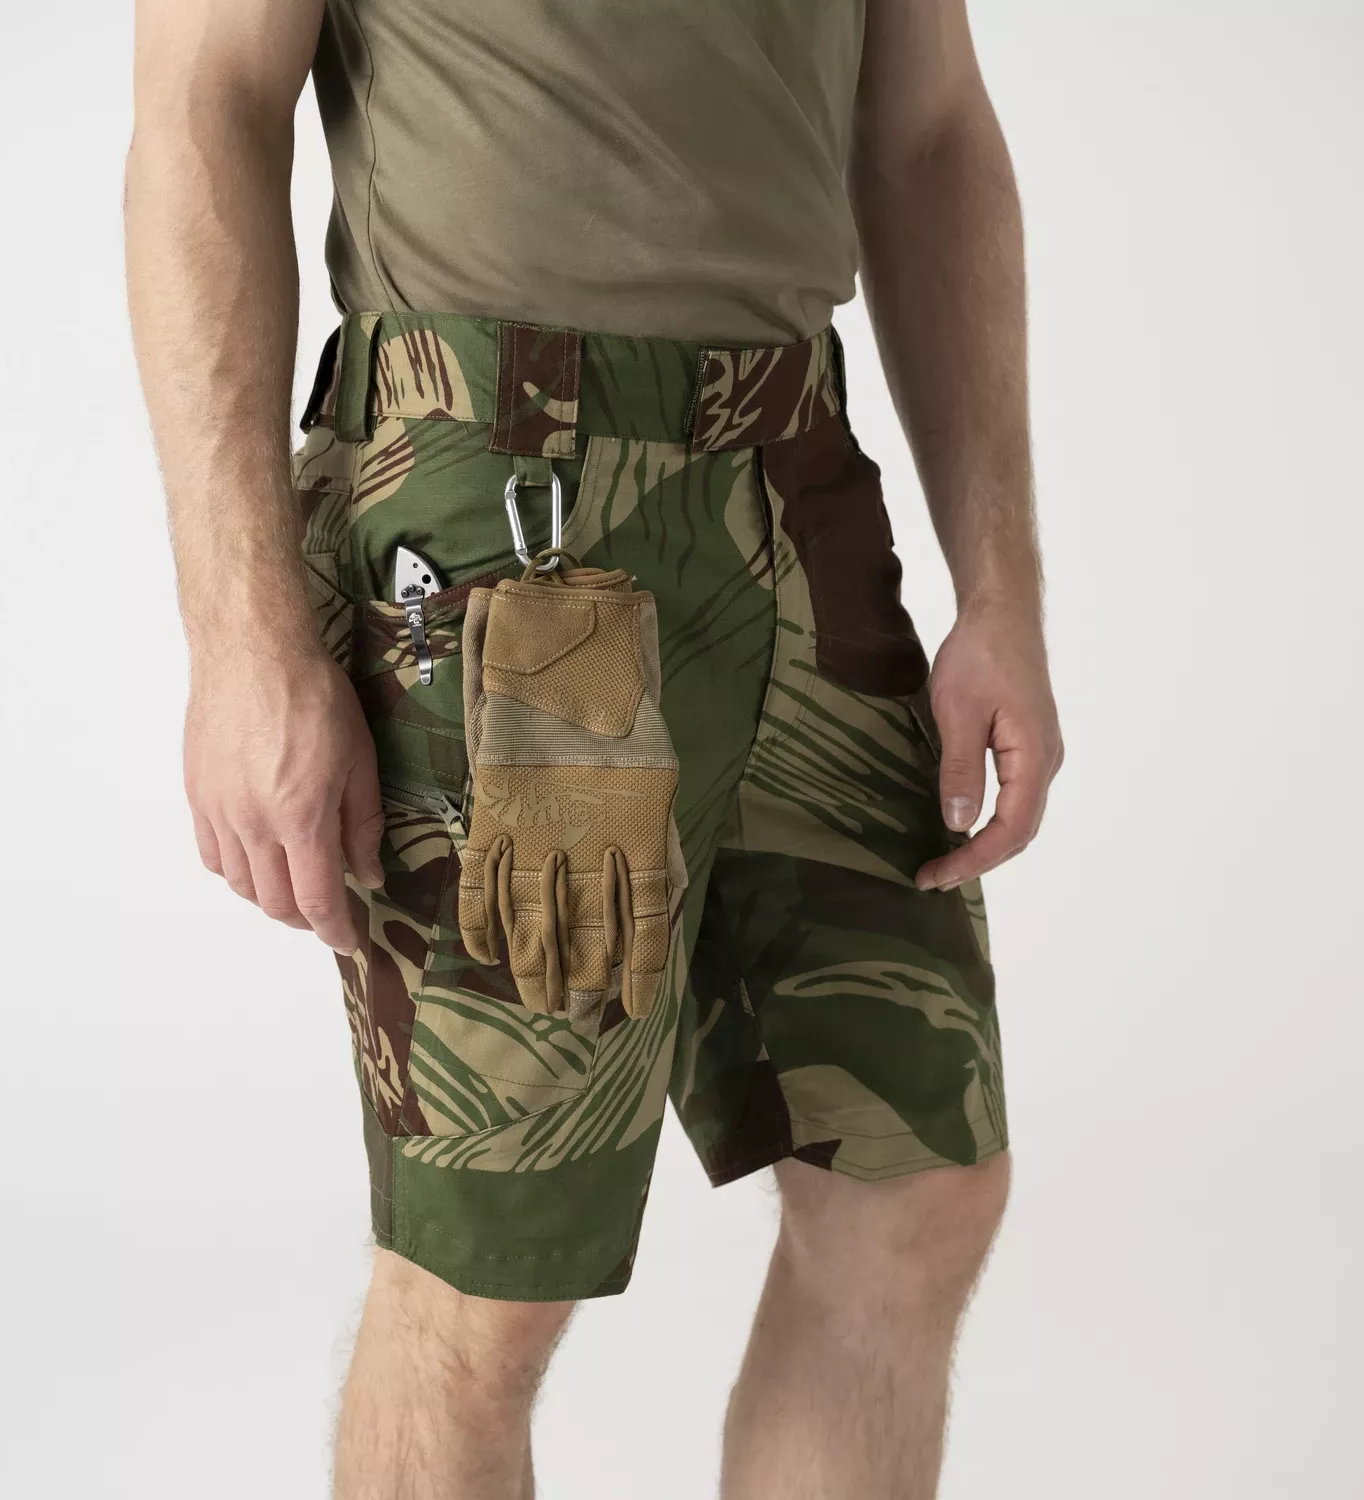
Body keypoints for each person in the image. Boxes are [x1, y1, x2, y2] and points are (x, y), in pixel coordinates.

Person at [124, 1, 1063, 1495]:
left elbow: (931, 133)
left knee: (914, 1189)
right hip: (508, 515)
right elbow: (203, 105)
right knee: (492, 1273)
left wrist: (1000, 586)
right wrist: (240, 643)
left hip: (801, 488)